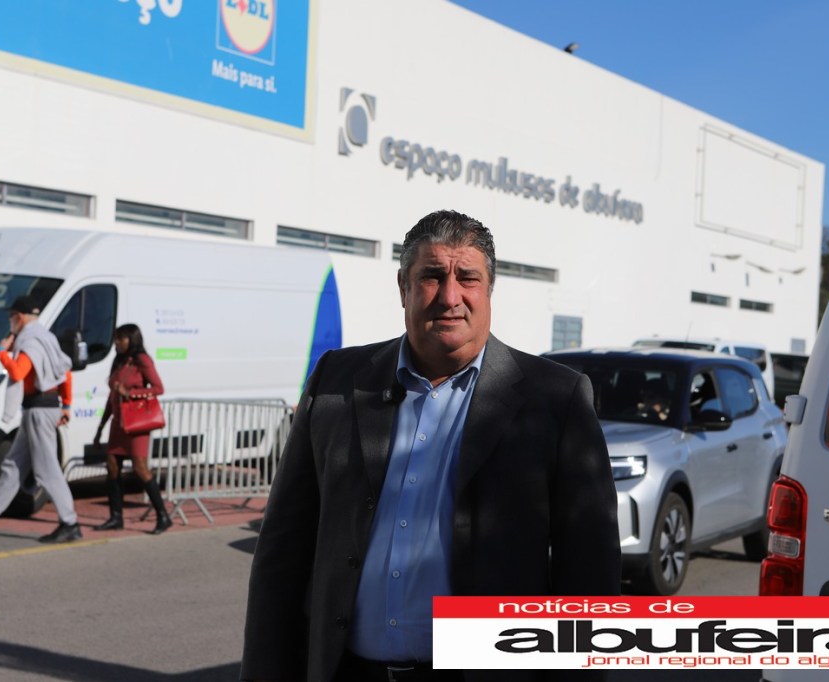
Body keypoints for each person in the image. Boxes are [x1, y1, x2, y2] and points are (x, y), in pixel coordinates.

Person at [241, 210, 620, 682]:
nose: (450, 296)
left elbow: (588, 574)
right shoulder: (336, 382)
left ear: (489, 289)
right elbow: (283, 551)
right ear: (403, 286)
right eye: (432, 276)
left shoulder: (556, 399)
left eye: (467, 278)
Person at [0, 294, 81, 543]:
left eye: (12, 317)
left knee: (46, 470)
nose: (10, 321)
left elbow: (18, 371)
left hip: (38, 410)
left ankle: (70, 523)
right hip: (43, 407)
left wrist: (2, 353)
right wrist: (66, 404)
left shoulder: (30, 341)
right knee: (13, 465)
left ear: (20, 317)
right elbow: (65, 372)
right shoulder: (46, 337)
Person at [91, 323, 170, 534]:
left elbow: (158, 388)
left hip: (136, 423)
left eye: (121, 338)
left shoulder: (142, 360)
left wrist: (131, 393)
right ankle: (115, 517)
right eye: (116, 339)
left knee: (140, 468)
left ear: (132, 339)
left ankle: (163, 515)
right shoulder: (119, 361)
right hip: (118, 423)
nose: (117, 343)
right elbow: (112, 396)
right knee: (112, 467)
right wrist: (100, 427)